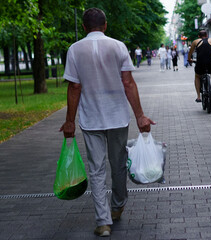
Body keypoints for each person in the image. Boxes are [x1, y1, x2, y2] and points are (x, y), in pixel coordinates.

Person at [60, 8, 154, 237]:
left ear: (83, 27)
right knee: (119, 163)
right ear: (105, 25)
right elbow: (128, 83)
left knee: (96, 169)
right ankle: (117, 205)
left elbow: (74, 87)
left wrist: (69, 121)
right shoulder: (118, 46)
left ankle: (103, 222)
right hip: (117, 116)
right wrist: (140, 115)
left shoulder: (74, 50)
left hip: (91, 118)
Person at [188, 30, 211, 103]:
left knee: (197, 76)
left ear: (199, 36)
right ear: (207, 35)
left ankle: (198, 97)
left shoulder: (195, 41)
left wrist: (189, 59)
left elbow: (190, 52)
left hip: (200, 62)